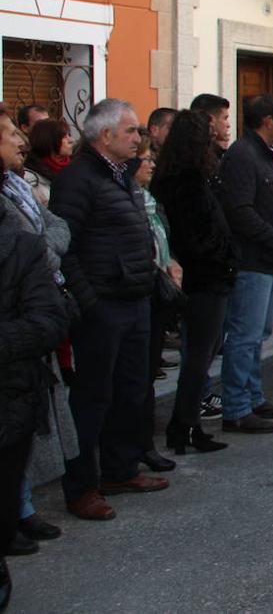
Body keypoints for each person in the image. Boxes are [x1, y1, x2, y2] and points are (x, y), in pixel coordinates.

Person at [49, 99, 166, 520]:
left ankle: (119, 470)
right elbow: (65, 246)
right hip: (103, 305)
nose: (140, 137)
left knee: (130, 391)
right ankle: (81, 487)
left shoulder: (123, 177)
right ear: (105, 136)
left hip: (134, 300)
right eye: (132, 131)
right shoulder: (79, 179)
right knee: (93, 397)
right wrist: (90, 302)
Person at [0, 112, 72, 557]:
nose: (19, 140)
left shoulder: (19, 190)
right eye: (9, 133)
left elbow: (55, 231)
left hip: (16, 371)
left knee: (14, 450)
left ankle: (18, 510)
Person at [149, 111, 232, 456]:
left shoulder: (170, 177)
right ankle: (184, 426)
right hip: (204, 279)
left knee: (199, 354)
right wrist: (223, 257)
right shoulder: (191, 181)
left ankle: (186, 425)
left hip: (198, 277)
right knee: (199, 356)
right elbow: (199, 235)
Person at [218, 94, 273, 435]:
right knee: (244, 336)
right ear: (267, 121)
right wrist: (272, 237)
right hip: (252, 259)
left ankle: (253, 397)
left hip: (267, 258)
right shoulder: (243, 156)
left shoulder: (265, 154)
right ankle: (236, 407)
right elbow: (240, 210)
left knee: (259, 333)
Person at [131, 133, 181, 475]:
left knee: (145, 375)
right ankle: (134, 445)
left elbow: (160, 236)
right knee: (135, 377)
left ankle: (143, 443)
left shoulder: (147, 199)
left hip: (156, 288)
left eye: (151, 158)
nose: (150, 164)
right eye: (145, 158)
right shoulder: (127, 199)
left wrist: (171, 261)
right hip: (138, 292)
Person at [22, 119, 73, 208]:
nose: (71, 140)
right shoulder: (31, 178)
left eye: (69, 135)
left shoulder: (73, 168)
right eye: (64, 137)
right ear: (49, 140)